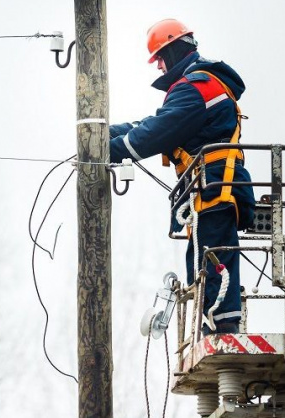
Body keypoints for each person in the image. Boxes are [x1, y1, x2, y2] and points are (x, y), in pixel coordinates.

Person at [109, 19, 255, 334]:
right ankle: (219, 323)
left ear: (173, 50)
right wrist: (103, 134)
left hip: (213, 186)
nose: (159, 66)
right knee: (211, 256)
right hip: (217, 185)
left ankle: (218, 327)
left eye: (160, 57)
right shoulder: (201, 85)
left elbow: (157, 133)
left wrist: (111, 149)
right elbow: (155, 123)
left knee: (209, 260)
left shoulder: (194, 88)